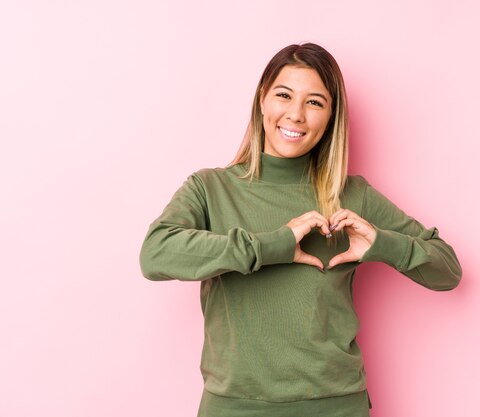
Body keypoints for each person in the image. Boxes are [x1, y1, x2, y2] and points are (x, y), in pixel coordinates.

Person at [139, 43, 462, 417]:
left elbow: (448, 271)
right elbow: (156, 253)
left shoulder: (352, 195)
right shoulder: (210, 189)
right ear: (262, 100)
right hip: (236, 407)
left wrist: (383, 244)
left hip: (335, 405)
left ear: (330, 117)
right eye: (283, 95)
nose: (295, 114)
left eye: (315, 102)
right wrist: (274, 245)